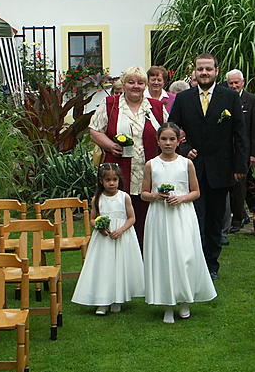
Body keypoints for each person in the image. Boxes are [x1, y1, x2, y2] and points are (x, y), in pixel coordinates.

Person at [168, 53, 247, 280]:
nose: (204, 73)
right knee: (194, 219)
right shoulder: (183, 99)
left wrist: (240, 166)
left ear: (216, 71)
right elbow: (171, 129)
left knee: (214, 220)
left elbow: (240, 134)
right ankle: (194, 263)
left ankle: (211, 265)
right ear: (195, 71)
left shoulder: (229, 97)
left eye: (208, 69)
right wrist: (185, 148)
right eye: (200, 69)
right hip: (191, 169)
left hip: (220, 169)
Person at [141, 123, 217, 323]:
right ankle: (167, 303)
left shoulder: (186, 164)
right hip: (159, 215)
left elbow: (196, 192)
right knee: (163, 257)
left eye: (172, 139)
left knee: (184, 256)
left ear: (178, 141)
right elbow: (144, 194)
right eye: (164, 139)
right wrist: (156, 196)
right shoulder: (151, 165)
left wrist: (181, 198)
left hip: (182, 214)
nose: (168, 143)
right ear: (158, 141)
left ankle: (184, 300)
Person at [89, 66, 167, 247]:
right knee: (120, 212)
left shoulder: (155, 107)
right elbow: (94, 130)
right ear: (123, 84)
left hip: (148, 172)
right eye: (131, 82)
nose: (135, 86)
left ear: (145, 86)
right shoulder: (110, 104)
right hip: (119, 172)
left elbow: (167, 132)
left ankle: (146, 254)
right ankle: (119, 252)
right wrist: (109, 145)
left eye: (140, 83)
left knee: (146, 216)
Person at [72, 163, 145, 315]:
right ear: (101, 181)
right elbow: (92, 219)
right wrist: (99, 226)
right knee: (104, 267)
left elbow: (131, 218)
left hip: (121, 237)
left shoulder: (124, 197)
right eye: (108, 180)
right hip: (103, 239)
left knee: (119, 266)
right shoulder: (97, 199)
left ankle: (118, 299)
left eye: (114, 179)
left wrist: (121, 230)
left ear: (119, 180)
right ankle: (103, 301)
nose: (112, 183)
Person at [226, 69, 255, 232]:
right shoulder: (224, 99)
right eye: (231, 83)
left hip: (244, 150)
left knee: (240, 185)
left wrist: (254, 153)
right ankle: (231, 217)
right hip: (226, 149)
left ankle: (238, 220)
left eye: (236, 83)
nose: (234, 86)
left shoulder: (252, 100)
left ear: (243, 82)